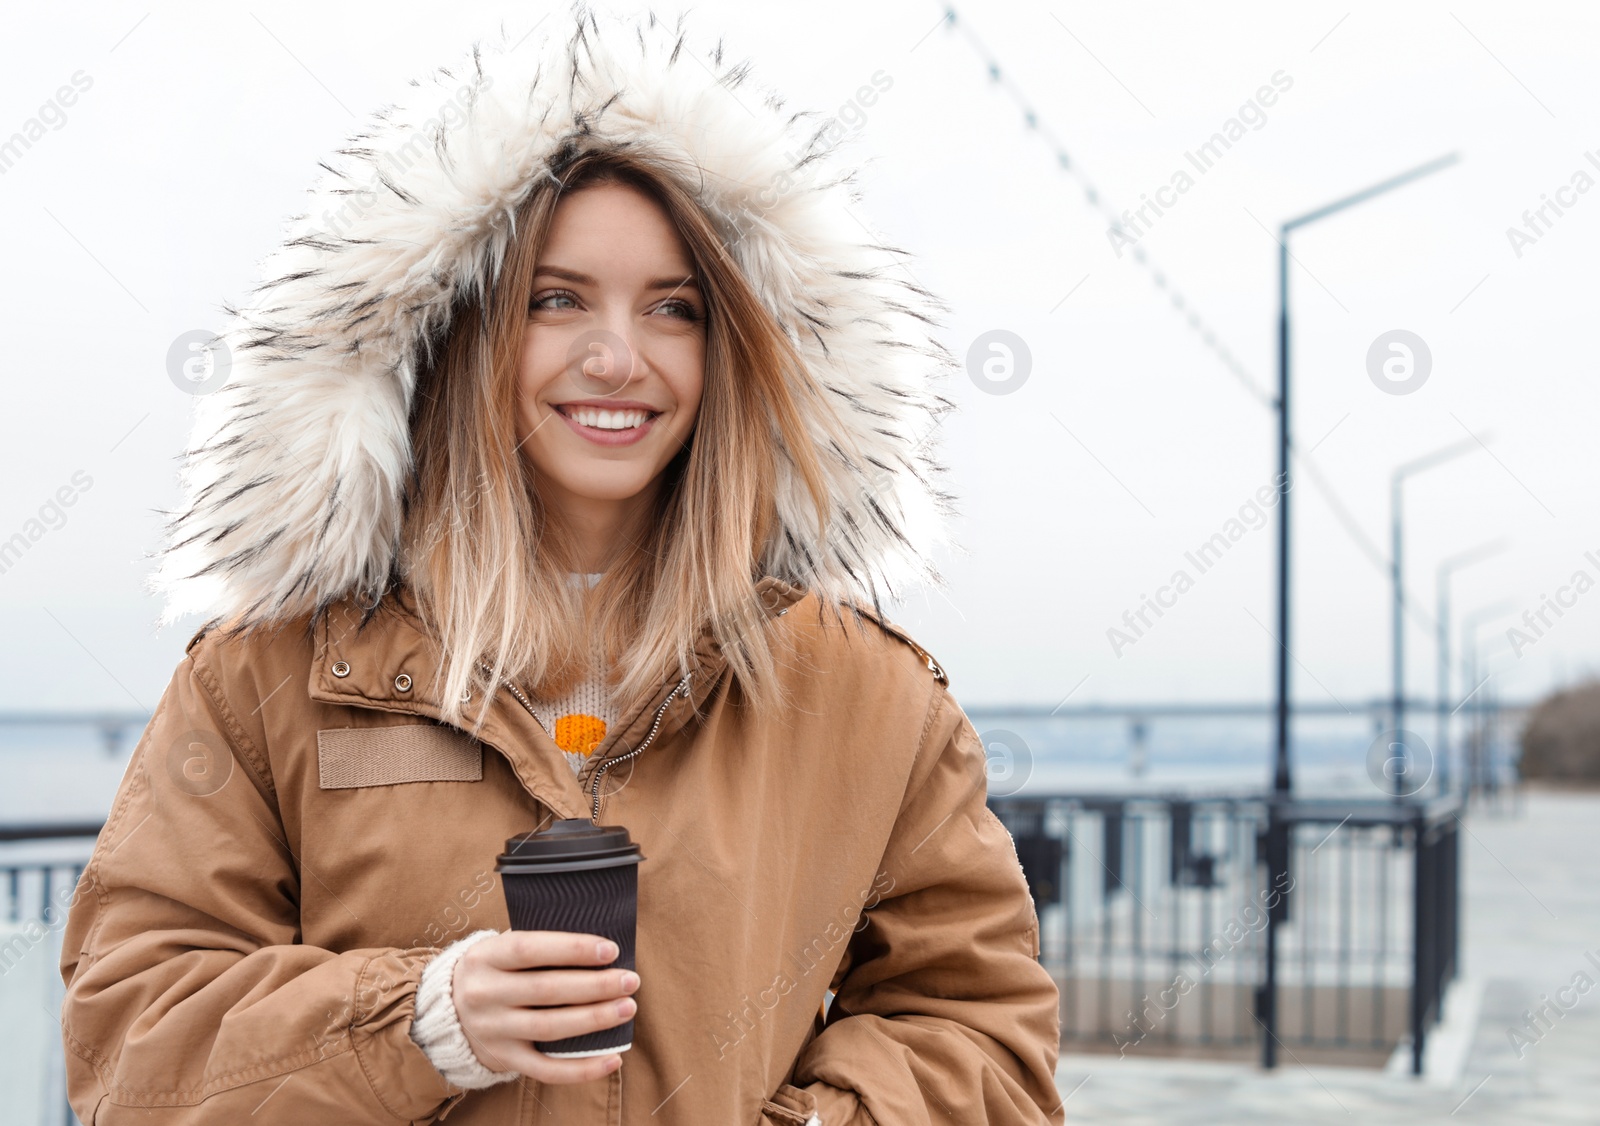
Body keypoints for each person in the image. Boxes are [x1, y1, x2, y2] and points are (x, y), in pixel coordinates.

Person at [59, 6, 1063, 1123]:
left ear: (731, 352)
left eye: (673, 309)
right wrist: (422, 1022)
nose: (616, 357)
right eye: (556, 298)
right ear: (457, 331)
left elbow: (979, 1031)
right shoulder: (269, 676)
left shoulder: (867, 699)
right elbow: (132, 1044)